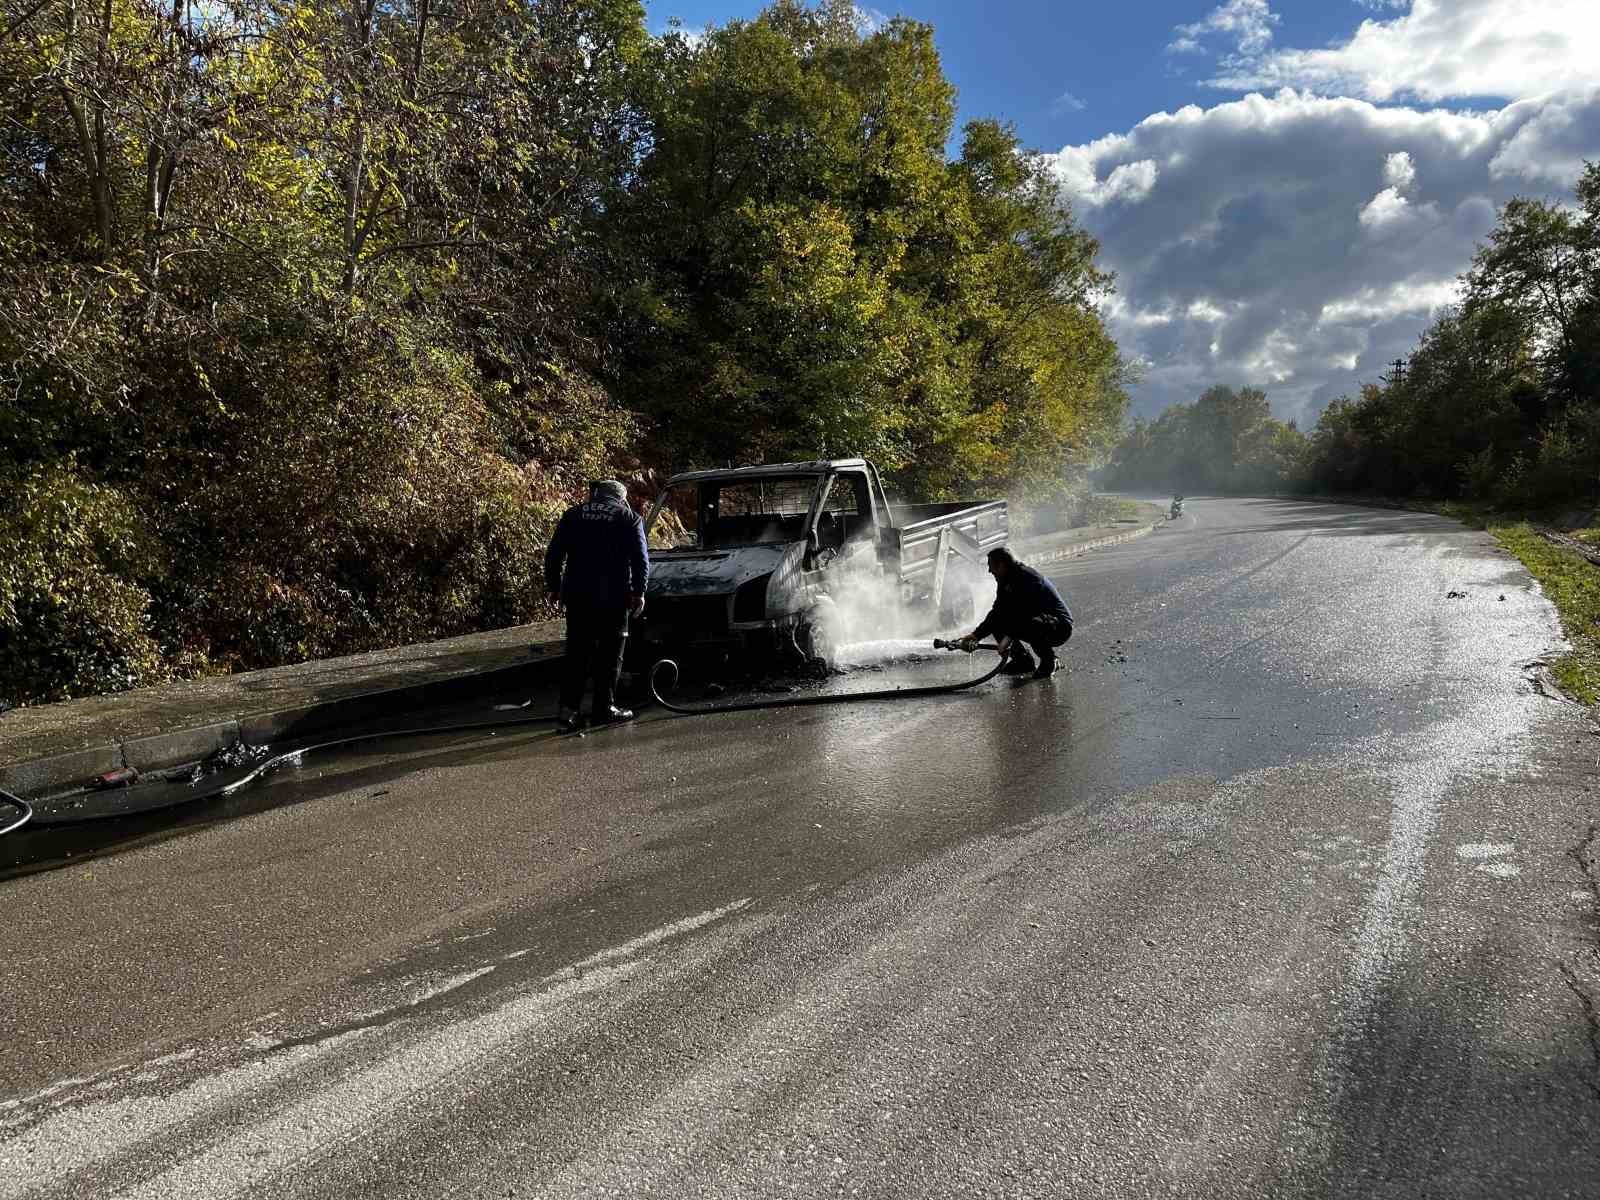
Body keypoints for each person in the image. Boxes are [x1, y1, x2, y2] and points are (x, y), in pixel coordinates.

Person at [544, 479, 649, 731]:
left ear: (596, 496)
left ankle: (568, 713)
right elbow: (640, 559)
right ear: (620, 498)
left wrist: (554, 587)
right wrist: (639, 592)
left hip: (579, 596)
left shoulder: (573, 515)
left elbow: (554, 553)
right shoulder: (629, 518)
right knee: (611, 654)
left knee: (577, 653)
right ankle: (604, 708)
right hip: (614, 597)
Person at [956, 546, 1073, 678]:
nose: (989, 571)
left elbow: (1024, 613)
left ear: (1001, 565)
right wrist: (975, 635)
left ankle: (1049, 660)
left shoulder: (1028, 578)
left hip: (1059, 627)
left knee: (1028, 623)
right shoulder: (1005, 579)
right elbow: (998, 611)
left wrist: (1007, 639)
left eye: (991, 566)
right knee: (998, 621)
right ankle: (1022, 661)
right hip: (1034, 620)